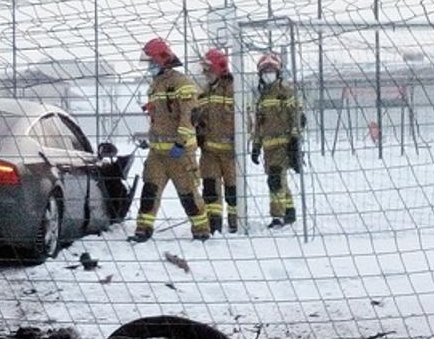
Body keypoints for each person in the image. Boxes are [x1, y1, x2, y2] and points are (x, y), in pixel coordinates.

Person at [129, 37, 210, 243]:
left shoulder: (181, 83)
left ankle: (201, 229)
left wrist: (181, 143)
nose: (149, 67)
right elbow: (159, 117)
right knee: (150, 190)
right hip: (157, 152)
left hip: (179, 152)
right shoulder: (156, 85)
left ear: (161, 60)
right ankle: (143, 228)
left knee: (188, 193)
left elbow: (189, 115)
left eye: (151, 62)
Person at [249, 52, 304, 228]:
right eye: (264, 71)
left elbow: (297, 117)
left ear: (278, 72)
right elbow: (259, 124)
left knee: (274, 180)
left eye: (271, 70)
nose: (268, 74)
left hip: (284, 144)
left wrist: (295, 139)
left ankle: (277, 216)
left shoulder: (287, 92)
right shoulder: (262, 98)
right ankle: (289, 211)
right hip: (268, 148)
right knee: (279, 180)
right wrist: (256, 145)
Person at [193, 47, 239, 234]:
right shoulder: (203, 92)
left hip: (231, 152)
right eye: (204, 69)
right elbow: (197, 119)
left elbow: (247, 120)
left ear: (220, 68)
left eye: (208, 69)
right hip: (209, 152)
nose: (205, 73)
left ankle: (235, 221)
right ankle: (214, 223)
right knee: (210, 188)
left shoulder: (234, 90)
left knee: (232, 189)